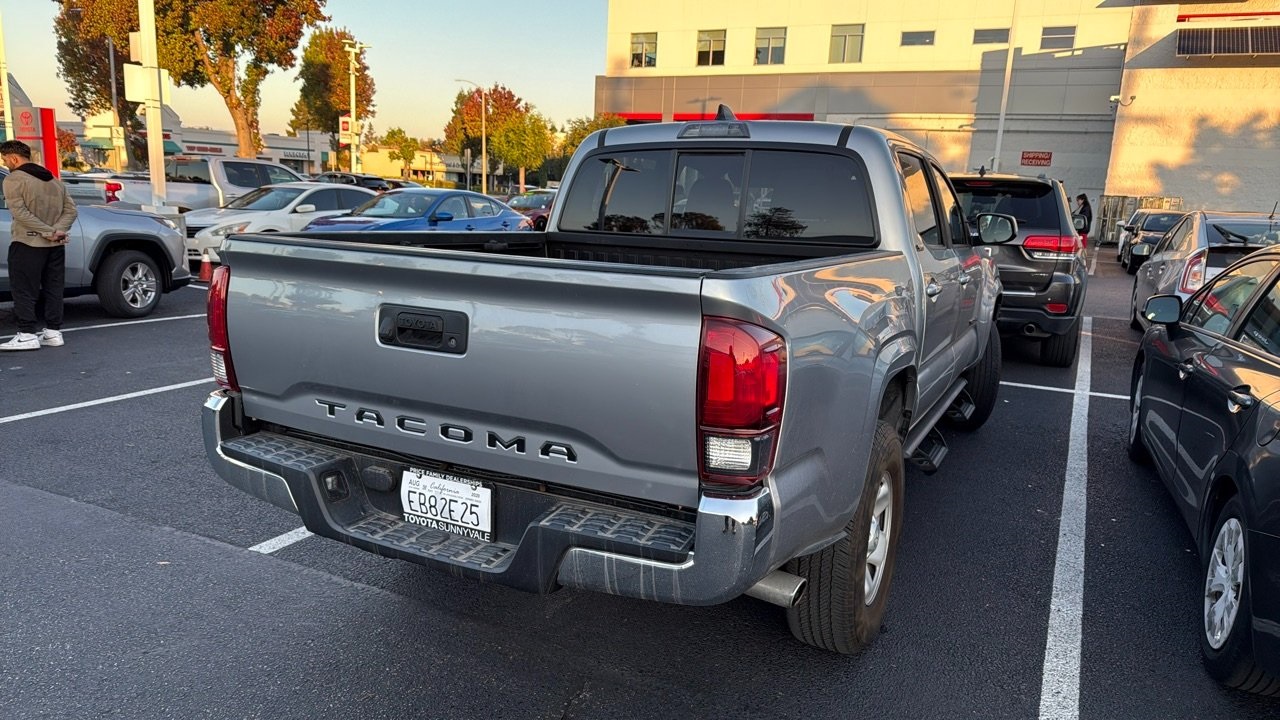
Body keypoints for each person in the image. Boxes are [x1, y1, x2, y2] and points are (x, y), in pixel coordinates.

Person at [1, 140, 78, 351]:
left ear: (14, 158)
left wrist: (48, 232)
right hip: (55, 246)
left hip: (27, 242)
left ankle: (27, 334)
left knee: (24, 288)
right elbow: (71, 210)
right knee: (53, 287)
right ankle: (53, 332)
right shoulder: (53, 179)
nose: (5, 163)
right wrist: (57, 231)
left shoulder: (14, 179)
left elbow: (20, 213)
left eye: (5, 159)